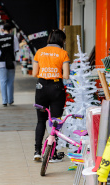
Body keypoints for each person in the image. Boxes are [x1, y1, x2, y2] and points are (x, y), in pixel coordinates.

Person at [32, 29, 70, 162]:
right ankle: (52, 154)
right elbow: (65, 76)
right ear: (61, 40)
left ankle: (37, 151)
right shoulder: (63, 53)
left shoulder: (39, 52)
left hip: (41, 87)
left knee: (41, 121)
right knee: (55, 122)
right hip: (56, 88)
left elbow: (34, 73)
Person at [0, 23, 19, 107]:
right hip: (11, 61)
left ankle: (4, 101)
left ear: (3, 29)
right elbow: (17, 49)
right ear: (11, 30)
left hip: (1, 62)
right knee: (10, 81)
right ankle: (10, 100)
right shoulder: (13, 37)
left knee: (3, 81)